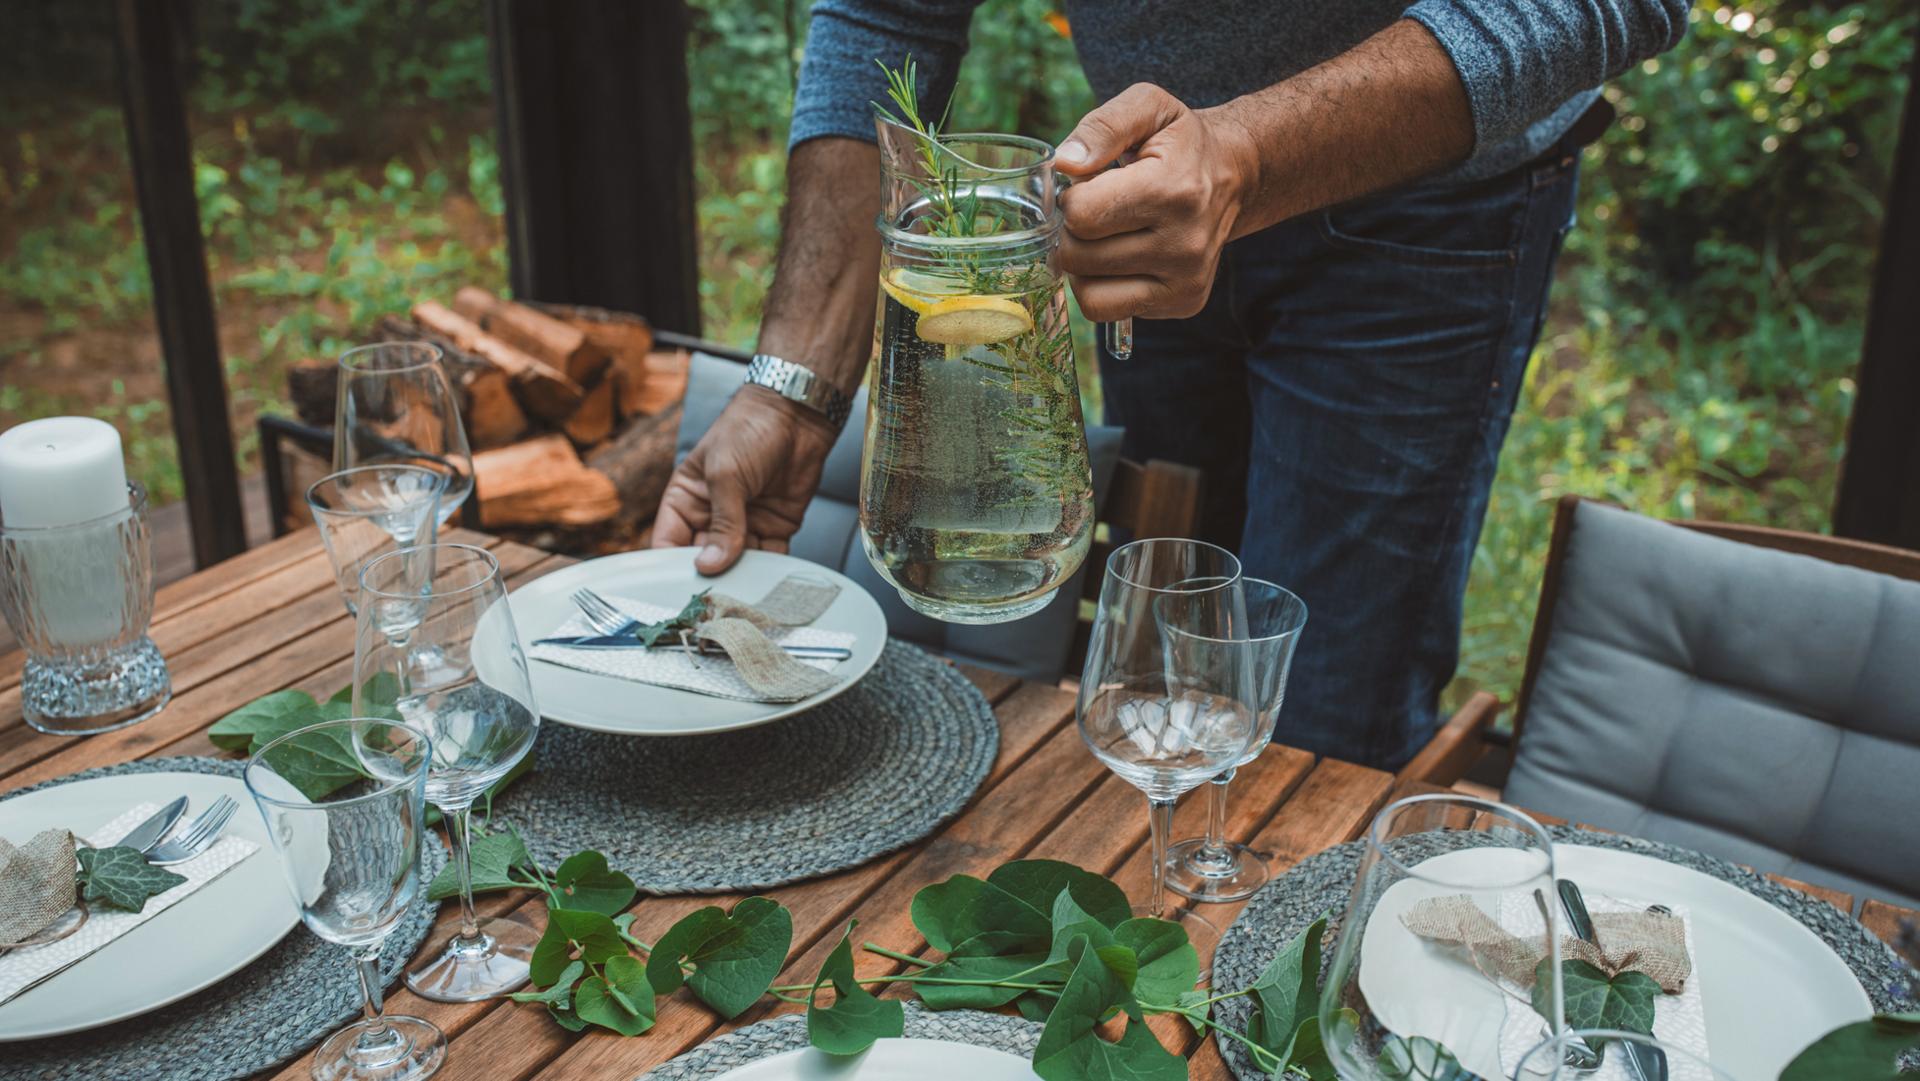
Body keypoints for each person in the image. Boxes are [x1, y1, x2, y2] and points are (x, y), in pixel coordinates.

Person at [654, 1, 1692, 769]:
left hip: (1423, 220)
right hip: (1148, 195)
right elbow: (889, 14)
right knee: (1156, 688)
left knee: (1317, 720)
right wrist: (790, 392)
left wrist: (1247, 155)